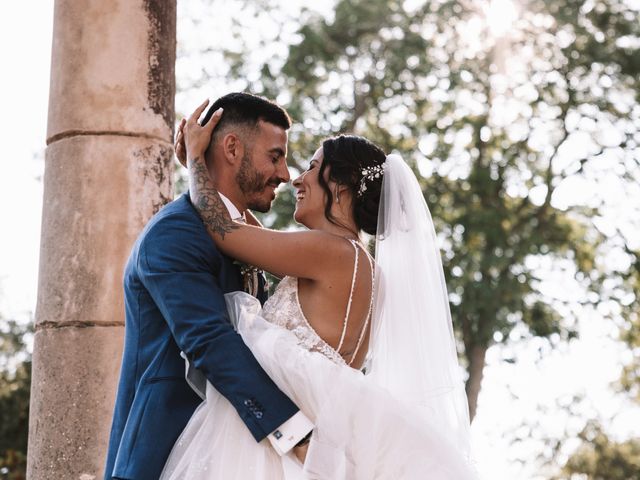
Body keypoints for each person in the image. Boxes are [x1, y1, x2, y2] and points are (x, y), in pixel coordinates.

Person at [160, 101, 478, 479]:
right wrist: (206, 174)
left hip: (270, 447)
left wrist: (198, 159)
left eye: (312, 167)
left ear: (340, 187)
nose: (296, 179)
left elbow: (226, 232)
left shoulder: (328, 251)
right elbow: (244, 227)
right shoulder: (364, 266)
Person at [103, 93, 314, 480]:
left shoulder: (245, 237)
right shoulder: (175, 232)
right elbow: (209, 340)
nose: (285, 174)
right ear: (232, 148)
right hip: (165, 454)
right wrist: (296, 432)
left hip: (236, 454)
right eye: (275, 156)